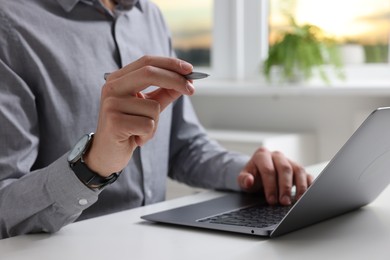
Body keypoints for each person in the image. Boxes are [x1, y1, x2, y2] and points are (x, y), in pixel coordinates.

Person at [0, 0, 313, 240]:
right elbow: (5, 204)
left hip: (155, 245)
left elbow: (182, 147)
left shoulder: (149, 14)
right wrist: (91, 165)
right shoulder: (10, 23)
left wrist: (247, 172)